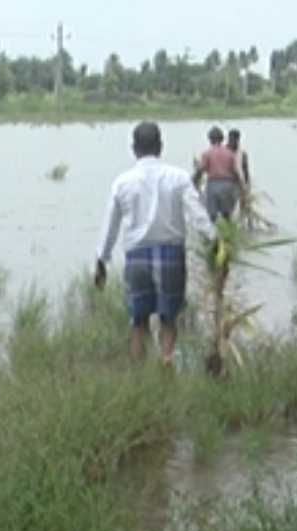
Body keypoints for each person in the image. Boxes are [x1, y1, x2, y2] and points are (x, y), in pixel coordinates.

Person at [95, 121, 216, 367]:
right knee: (168, 318)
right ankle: (166, 360)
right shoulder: (179, 177)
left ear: (134, 149)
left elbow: (110, 226)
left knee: (138, 321)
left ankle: (139, 372)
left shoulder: (122, 182)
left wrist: (101, 261)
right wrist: (216, 241)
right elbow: (199, 216)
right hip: (171, 254)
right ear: (160, 146)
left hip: (137, 256)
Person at [192, 126, 246, 221]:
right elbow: (237, 172)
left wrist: (193, 182)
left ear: (210, 139)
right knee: (227, 214)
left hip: (213, 185)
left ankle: (214, 233)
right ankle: (228, 231)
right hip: (228, 185)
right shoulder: (230, 154)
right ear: (222, 139)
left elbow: (200, 170)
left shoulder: (207, 153)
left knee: (212, 215)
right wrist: (242, 190)